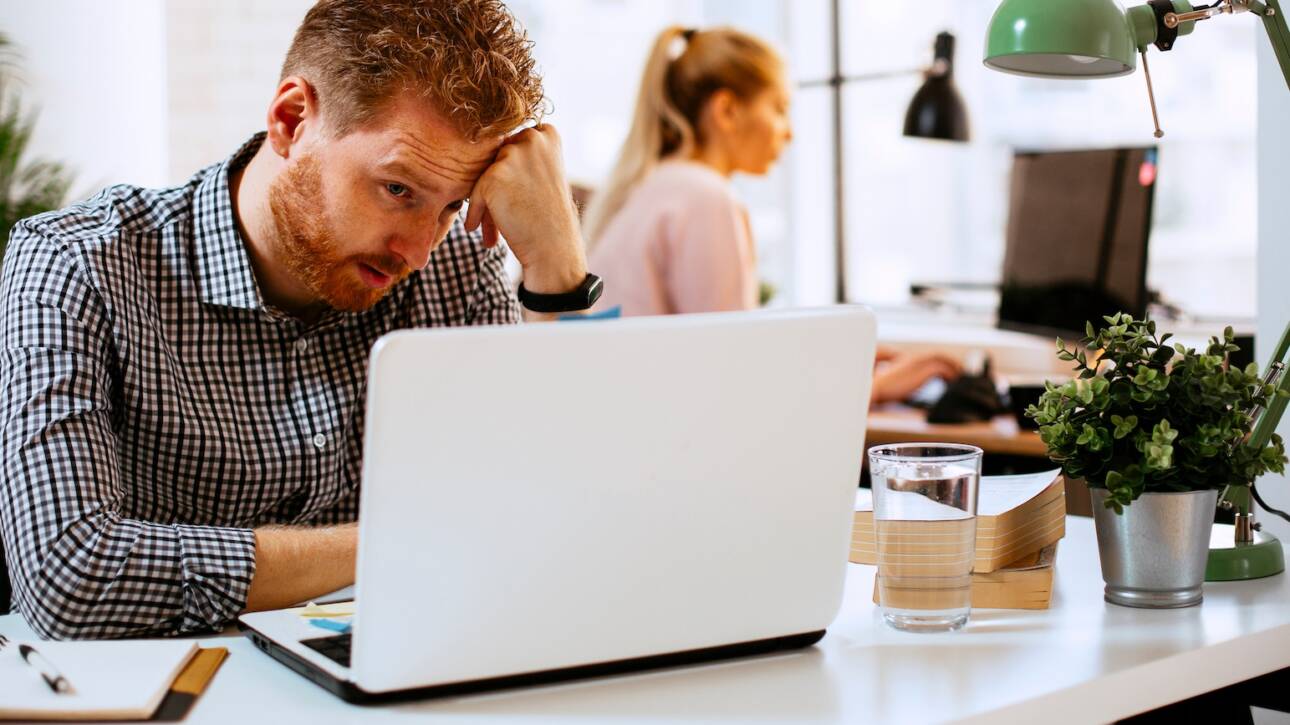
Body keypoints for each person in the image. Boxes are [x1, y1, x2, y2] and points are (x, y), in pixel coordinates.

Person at [0, 0, 598, 640]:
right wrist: (413, 541)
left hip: (396, 681)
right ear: (291, 120)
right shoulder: (79, 264)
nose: (418, 249)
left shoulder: (451, 269)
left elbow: (566, 526)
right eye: (398, 190)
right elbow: (70, 575)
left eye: (452, 206)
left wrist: (557, 267)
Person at [582, 25, 960, 403]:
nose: (789, 133)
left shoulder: (657, 186)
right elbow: (736, 382)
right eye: (779, 108)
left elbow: (718, 355)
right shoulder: (706, 198)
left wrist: (838, 361)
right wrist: (874, 388)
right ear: (727, 111)